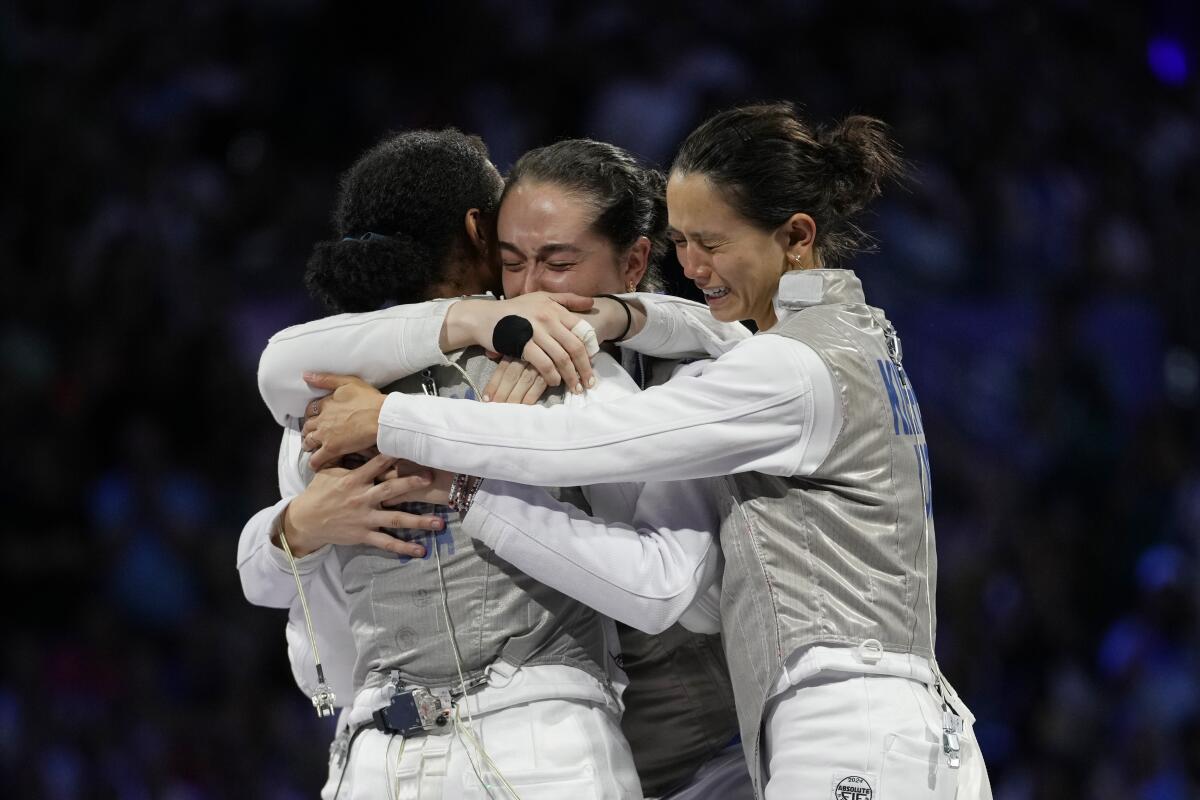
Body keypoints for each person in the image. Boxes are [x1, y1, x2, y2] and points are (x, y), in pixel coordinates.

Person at [299, 103, 994, 800]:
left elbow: (592, 447)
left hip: (841, 728)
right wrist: (614, 314)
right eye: (684, 242)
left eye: (712, 244)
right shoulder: (850, 332)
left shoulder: (779, 370)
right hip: (879, 721)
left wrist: (397, 426)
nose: (692, 266)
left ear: (795, 236)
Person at [243, 131, 754, 798]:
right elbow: (290, 590)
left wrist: (464, 487)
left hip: (654, 751)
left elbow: (675, 587)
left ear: (631, 265)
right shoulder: (347, 392)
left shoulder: (331, 400)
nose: (532, 287)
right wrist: (294, 530)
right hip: (494, 742)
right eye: (514, 255)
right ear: (480, 233)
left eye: (557, 261)